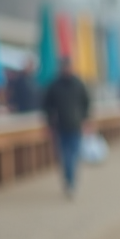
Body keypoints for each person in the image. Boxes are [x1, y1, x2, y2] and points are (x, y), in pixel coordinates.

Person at [42, 56, 91, 197]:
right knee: (65, 156)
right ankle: (69, 180)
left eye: (68, 66)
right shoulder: (54, 85)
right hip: (60, 126)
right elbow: (46, 105)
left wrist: (86, 119)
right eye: (64, 66)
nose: (66, 69)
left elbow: (86, 102)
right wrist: (50, 123)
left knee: (74, 155)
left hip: (76, 125)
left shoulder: (78, 84)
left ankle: (71, 180)